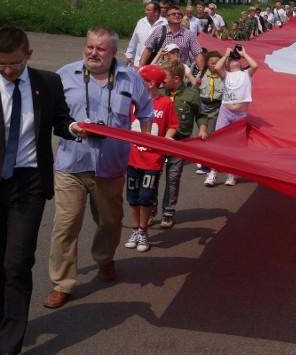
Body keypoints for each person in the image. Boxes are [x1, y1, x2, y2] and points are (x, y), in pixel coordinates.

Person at [44, 26, 154, 309]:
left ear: (114, 52)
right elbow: (50, 113)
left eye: (100, 49)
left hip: (112, 165)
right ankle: (62, 283)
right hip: (72, 163)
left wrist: (144, 141)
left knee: (109, 222)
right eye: (90, 47)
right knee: (66, 225)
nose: (93, 53)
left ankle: (104, 259)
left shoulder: (131, 78)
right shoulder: (64, 74)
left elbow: (145, 110)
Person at [0, 27, 83, 355]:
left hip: (29, 183)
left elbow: (60, 121)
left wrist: (73, 128)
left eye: (15, 65)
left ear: (29, 54)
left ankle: (8, 349)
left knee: (17, 264)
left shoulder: (47, 83)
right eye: (2, 66)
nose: (8, 71)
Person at [124, 65, 177, 252]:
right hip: (132, 158)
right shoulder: (131, 102)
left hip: (152, 160)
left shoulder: (166, 103)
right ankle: (135, 230)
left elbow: (172, 125)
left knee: (146, 197)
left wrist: (168, 138)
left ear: (151, 83)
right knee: (133, 197)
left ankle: (143, 231)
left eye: (141, 81)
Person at [155, 60, 208, 226]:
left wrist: (202, 129)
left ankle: (168, 212)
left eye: (165, 77)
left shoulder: (191, 95)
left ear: (177, 78)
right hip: (158, 141)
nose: (161, 80)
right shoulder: (159, 92)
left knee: (173, 177)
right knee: (153, 177)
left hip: (179, 142)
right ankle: (150, 210)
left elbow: (201, 115)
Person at [204, 46, 258, 187]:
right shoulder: (226, 75)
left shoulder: (247, 74)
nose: (234, 61)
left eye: (236, 60)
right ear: (227, 65)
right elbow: (217, 67)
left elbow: (255, 65)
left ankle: (231, 173)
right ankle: (213, 172)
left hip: (240, 114)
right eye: (230, 61)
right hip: (226, 112)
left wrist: (244, 53)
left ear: (240, 64)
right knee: (219, 142)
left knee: (234, 144)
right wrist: (226, 54)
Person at [139, 5, 204, 71]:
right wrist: (140, 70)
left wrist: (202, 74)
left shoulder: (189, 34)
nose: (177, 15)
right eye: (173, 14)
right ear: (167, 17)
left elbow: (198, 54)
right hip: (160, 72)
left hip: (179, 74)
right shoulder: (159, 31)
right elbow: (148, 50)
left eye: (179, 14)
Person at [125, 1, 167, 67]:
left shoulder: (165, 23)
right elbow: (134, 40)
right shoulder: (141, 22)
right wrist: (129, 55)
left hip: (157, 64)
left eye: (148, 10)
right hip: (138, 62)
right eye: (145, 10)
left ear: (156, 12)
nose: (146, 12)